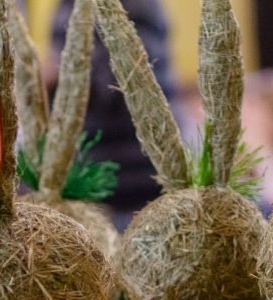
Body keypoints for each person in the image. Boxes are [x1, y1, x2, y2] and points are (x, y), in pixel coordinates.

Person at [50, 0, 187, 229]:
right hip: (96, 171)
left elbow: (129, 81)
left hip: (131, 174)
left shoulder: (135, 5)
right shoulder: (69, 6)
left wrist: (55, 78)